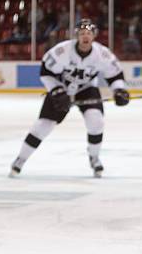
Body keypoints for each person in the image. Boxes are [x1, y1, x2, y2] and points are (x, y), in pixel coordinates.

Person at [9, 19, 130, 178]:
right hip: (62, 88)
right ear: (76, 36)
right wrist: (57, 90)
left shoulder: (102, 54)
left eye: (88, 33)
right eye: (82, 33)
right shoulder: (62, 51)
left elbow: (115, 75)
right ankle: (20, 159)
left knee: (96, 120)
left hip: (86, 89)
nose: (85, 36)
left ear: (94, 36)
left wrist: (120, 90)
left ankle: (94, 157)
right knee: (43, 125)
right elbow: (46, 72)